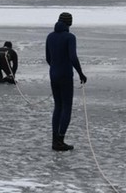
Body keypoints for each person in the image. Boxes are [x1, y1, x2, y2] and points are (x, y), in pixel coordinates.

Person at [46, 12, 87, 151]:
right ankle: (60, 140)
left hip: (53, 74)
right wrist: (80, 73)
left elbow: (48, 58)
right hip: (65, 75)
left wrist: (55, 68)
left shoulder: (50, 36)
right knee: (66, 107)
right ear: (69, 23)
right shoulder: (70, 37)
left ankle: (54, 140)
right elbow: (73, 57)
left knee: (58, 106)